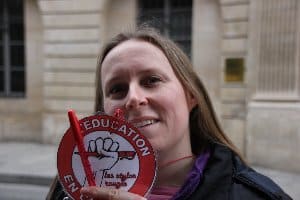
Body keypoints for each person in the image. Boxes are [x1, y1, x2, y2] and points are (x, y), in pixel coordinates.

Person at [47, 26, 292, 200]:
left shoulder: (256, 195)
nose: (133, 98)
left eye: (151, 80)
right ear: (103, 112)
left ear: (191, 95)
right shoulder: (71, 188)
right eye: (117, 89)